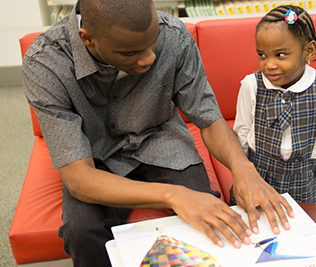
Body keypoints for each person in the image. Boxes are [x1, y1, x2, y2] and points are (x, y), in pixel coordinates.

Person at [22, 0, 294, 266]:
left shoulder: (174, 35)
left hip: (161, 140)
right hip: (93, 156)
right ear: (88, 39)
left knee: (208, 216)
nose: (149, 58)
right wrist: (173, 195)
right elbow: (80, 179)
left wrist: (243, 168)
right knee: (81, 232)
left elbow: (209, 119)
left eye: (153, 42)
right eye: (129, 53)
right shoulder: (45, 63)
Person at [234, 5, 316, 204]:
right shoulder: (251, 85)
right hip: (260, 174)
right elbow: (242, 130)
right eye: (262, 55)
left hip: (303, 177)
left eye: (280, 55)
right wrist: (241, 176)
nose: (269, 64)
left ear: (308, 51)